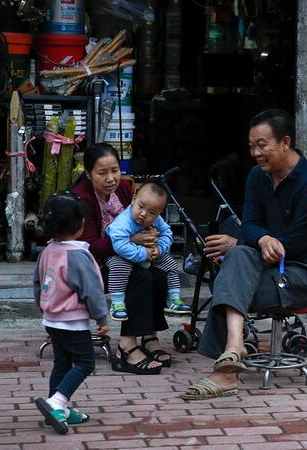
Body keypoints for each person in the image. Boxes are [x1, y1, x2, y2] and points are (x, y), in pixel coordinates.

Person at [181, 108, 307, 400]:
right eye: (252, 146)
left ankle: (227, 370)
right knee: (238, 258)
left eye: (262, 145)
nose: (255, 153)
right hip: (266, 266)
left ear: (286, 142)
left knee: (229, 282)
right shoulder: (257, 176)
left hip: (306, 274)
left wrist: (249, 241)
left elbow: (294, 245)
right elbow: (250, 223)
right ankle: (234, 346)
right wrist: (260, 238)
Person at [71, 144, 174, 373]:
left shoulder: (126, 190)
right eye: (102, 173)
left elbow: (147, 219)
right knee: (140, 278)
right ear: (88, 174)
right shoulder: (82, 198)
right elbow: (90, 247)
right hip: (94, 266)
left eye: (115, 170)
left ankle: (149, 336)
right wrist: (134, 240)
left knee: (158, 274)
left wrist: (152, 236)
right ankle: (126, 347)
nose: (111, 178)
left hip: (128, 258)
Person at [33, 192, 110, 435]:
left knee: (62, 362)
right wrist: (102, 318)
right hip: (73, 321)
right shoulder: (78, 255)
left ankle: (58, 409)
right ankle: (57, 402)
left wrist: (43, 304)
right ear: (81, 225)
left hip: (52, 319)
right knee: (86, 363)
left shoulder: (48, 251)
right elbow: (92, 290)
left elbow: (37, 281)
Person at [104, 181, 188, 323]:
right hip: (120, 255)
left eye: (151, 212)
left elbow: (167, 233)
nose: (143, 214)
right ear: (134, 199)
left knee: (170, 263)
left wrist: (159, 249)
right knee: (119, 266)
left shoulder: (157, 219)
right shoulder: (123, 222)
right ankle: (117, 303)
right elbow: (119, 245)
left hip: (146, 253)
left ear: (159, 213)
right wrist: (144, 253)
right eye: (140, 207)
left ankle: (174, 298)